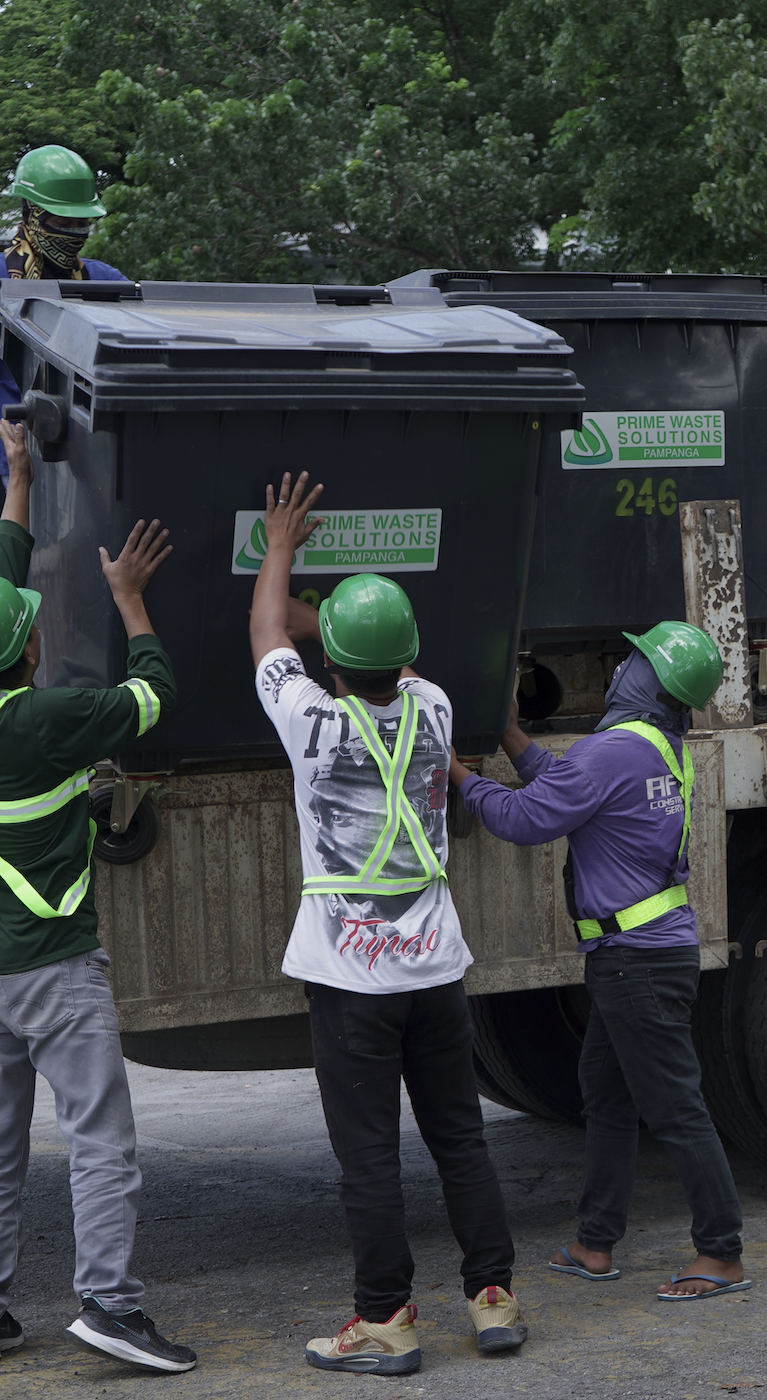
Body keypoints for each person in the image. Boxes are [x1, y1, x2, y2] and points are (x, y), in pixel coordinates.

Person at [248, 473, 523, 1376]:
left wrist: (281, 543)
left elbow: (266, 634)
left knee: (368, 1159)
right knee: (460, 1140)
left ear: (328, 663)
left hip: (351, 979)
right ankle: (492, 1300)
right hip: (437, 969)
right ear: (408, 656)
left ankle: (385, 1322)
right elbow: (390, 661)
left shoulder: (311, 722)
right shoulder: (437, 709)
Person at [0, 419, 195, 1373]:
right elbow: (156, 693)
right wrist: (130, 600)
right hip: (54, 973)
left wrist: (17, 481)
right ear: (34, 648)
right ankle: (112, 1308)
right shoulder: (53, 716)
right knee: (99, 1141)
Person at [450, 623, 751, 1302]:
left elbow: (528, 819)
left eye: (633, 659)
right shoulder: (654, 746)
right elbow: (567, 783)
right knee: (608, 1097)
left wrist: (457, 775)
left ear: (650, 679)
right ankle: (594, 1241)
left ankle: (722, 1251)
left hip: (634, 962)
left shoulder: (616, 750)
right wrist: (510, 737)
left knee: (674, 1108)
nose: (620, 667)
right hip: (645, 952)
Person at [0, 145, 127, 477]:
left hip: (94, 446)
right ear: (33, 215)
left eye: (82, 224)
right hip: (21, 450)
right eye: (64, 222)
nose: (75, 233)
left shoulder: (103, 278)